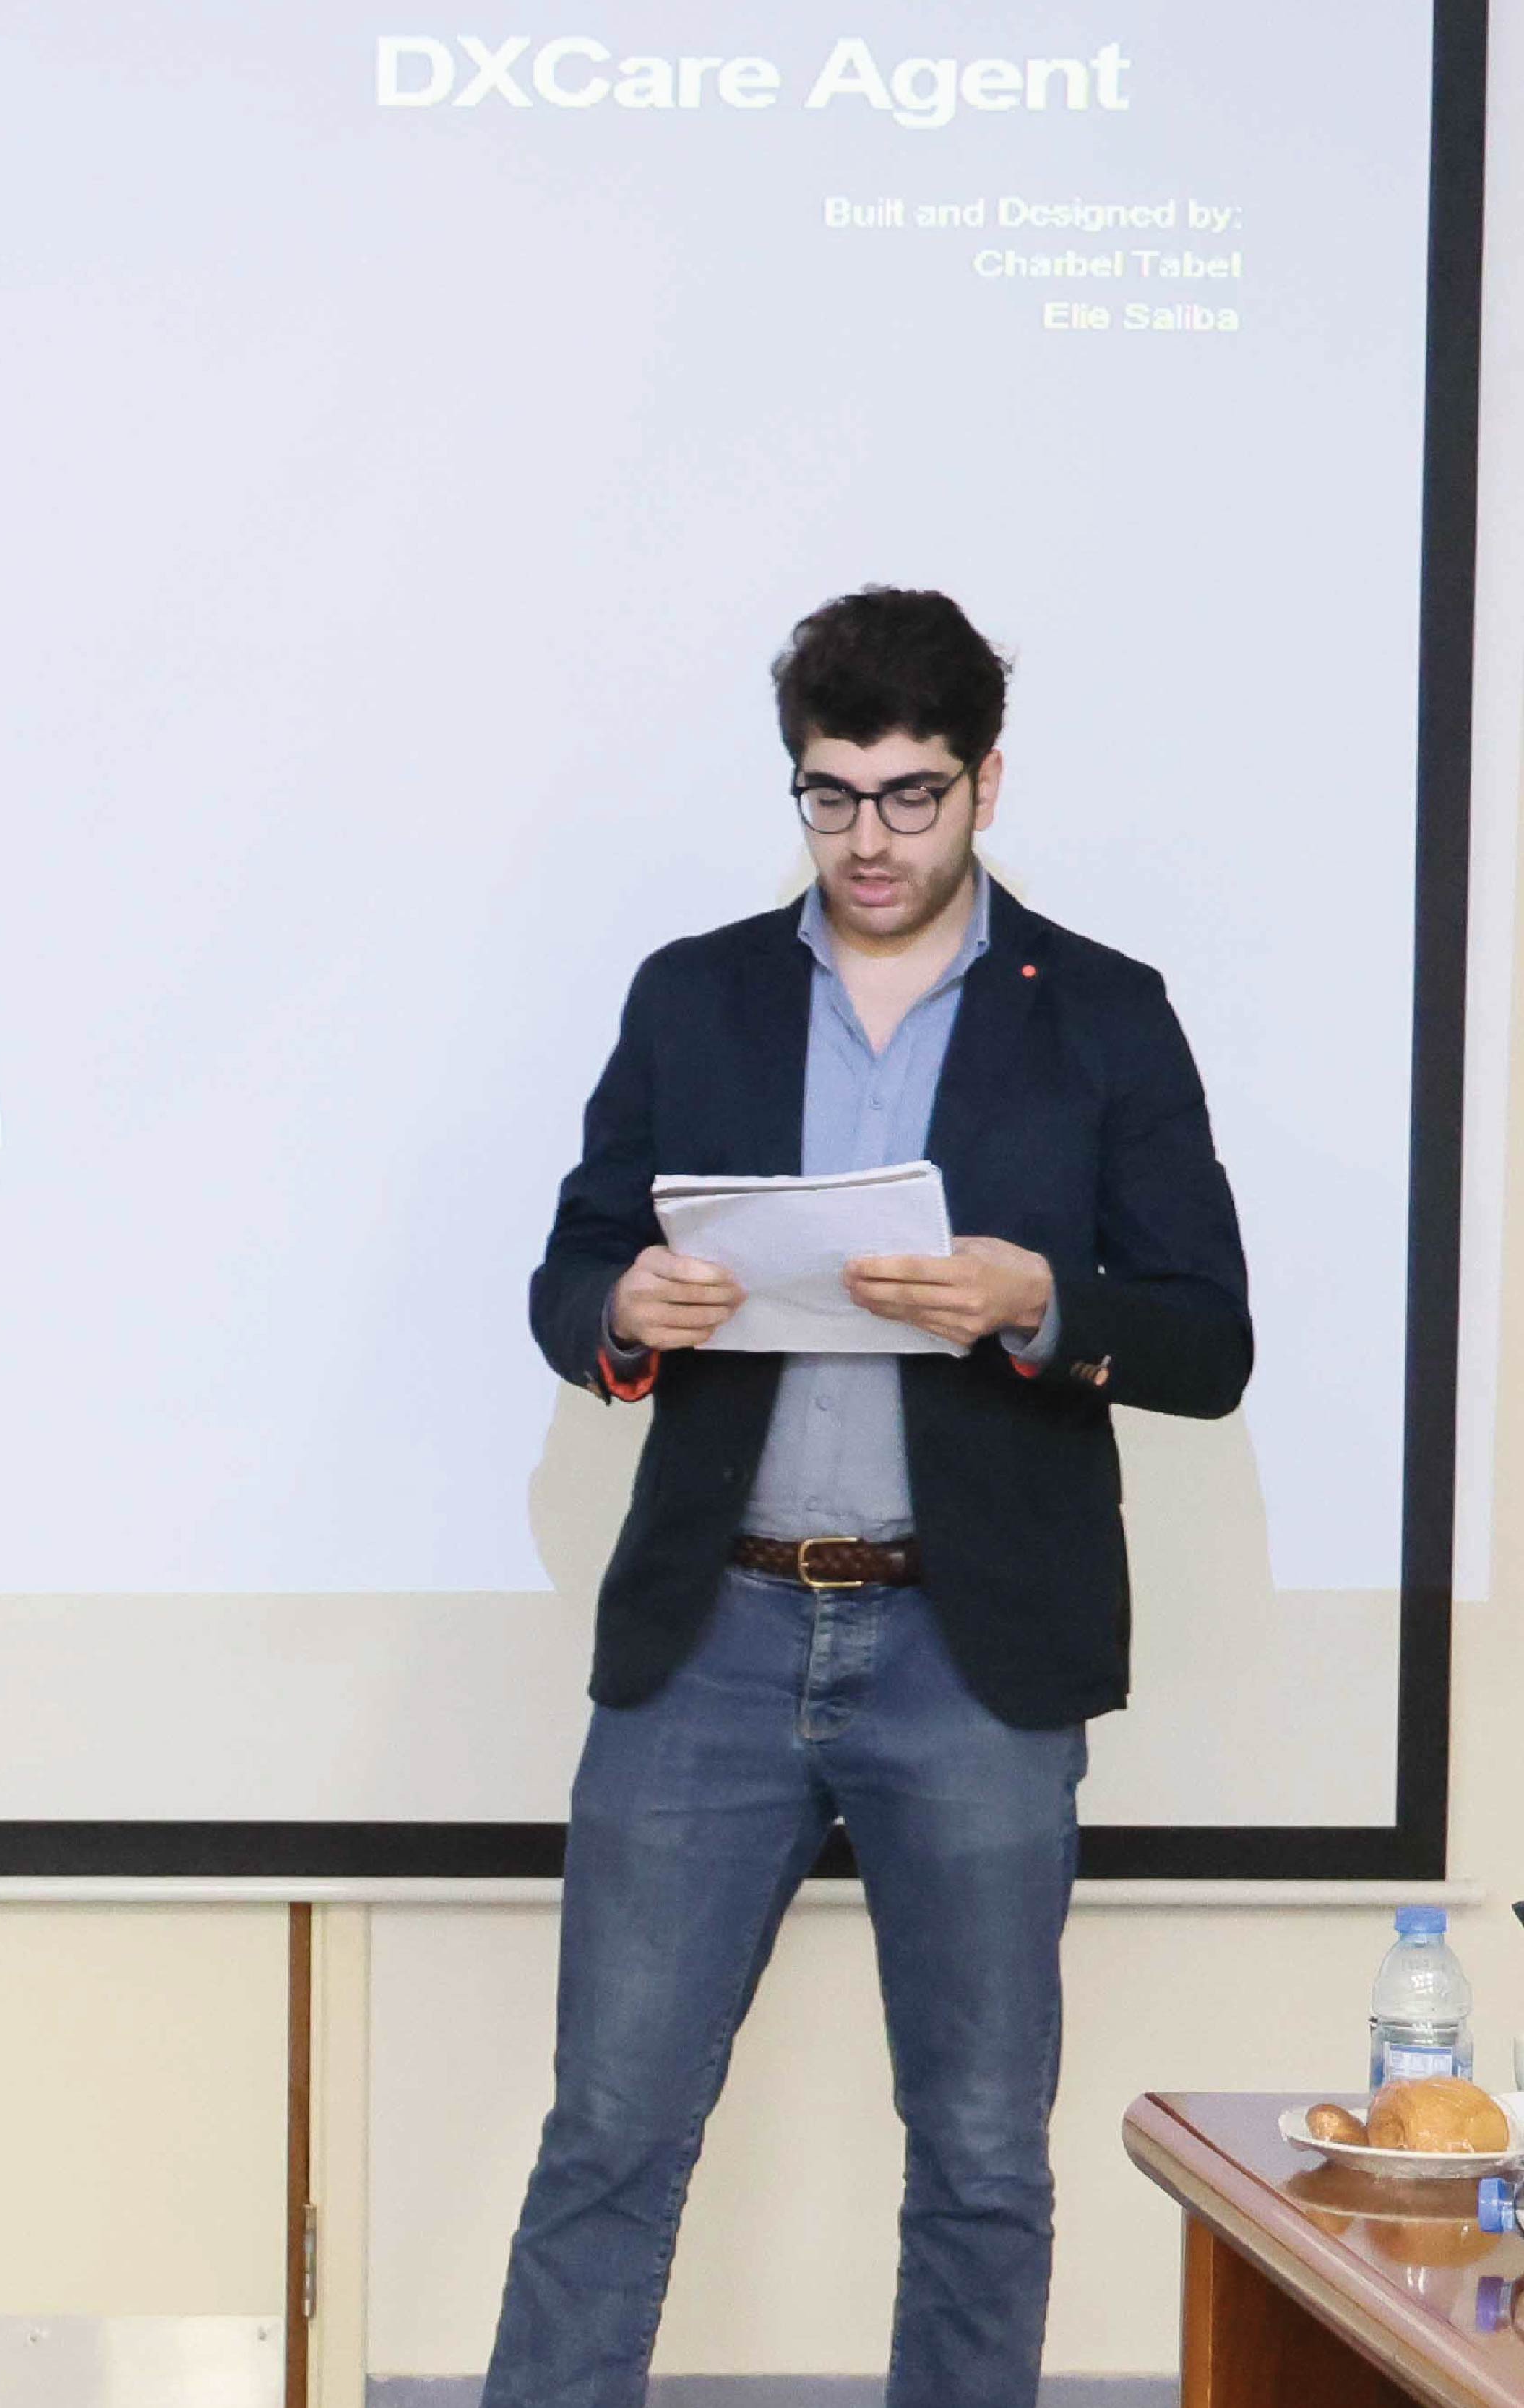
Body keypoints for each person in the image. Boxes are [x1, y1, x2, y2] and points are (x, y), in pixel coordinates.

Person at [489, 587, 1250, 2407]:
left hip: (966, 1648)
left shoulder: (1102, 1013)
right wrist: (621, 1310)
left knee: (979, 2154)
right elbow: (570, 1265)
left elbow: (1206, 1337)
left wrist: (1034, 1301)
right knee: (607, 2131)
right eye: (827, 796)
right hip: (712, 1630)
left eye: (909, 794)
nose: (868, 839)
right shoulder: (695, 994)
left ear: (985, 779)